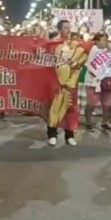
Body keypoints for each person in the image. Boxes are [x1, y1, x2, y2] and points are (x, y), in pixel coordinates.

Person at [47, 19, 86, 147]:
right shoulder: (52, 44)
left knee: (71, 108)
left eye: (69, 27)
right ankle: (52, 134)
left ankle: (69, 135)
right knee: (55, 107)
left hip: (71, 83)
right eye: (65, 28)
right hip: (56, 82)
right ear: (59, 30)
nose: (68, 30)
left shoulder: (74, 45)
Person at [83, 33, 111, 131]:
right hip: (94, 81)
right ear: (97, 41)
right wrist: (98, 76)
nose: (105, 42)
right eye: (103, 40)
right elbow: (90, 66)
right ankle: (88, 121)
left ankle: (104, 123)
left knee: (107, 104)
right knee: (91, 103)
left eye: (106, 40)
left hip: (108, 80)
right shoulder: (93, 49)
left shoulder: (109, 50)